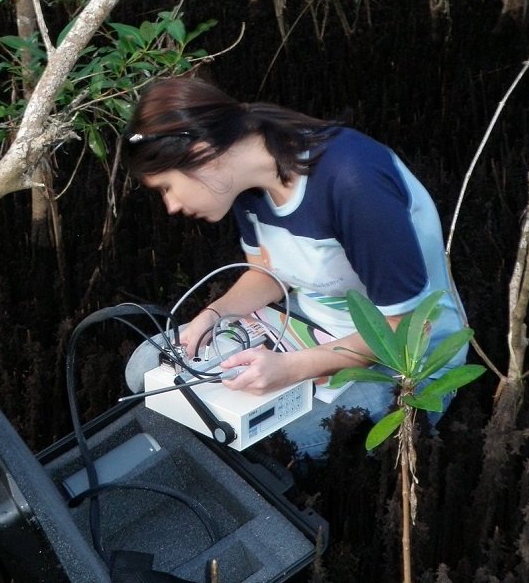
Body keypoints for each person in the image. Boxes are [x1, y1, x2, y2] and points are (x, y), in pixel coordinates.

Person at [124, 76, 469, 458]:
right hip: (308, 322)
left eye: (167, 188)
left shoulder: (353, 182)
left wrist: (289, 369)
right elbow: (267, 274)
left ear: (205, 154)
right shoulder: (244, 180)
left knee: (258, 444)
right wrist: (214, 314)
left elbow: (405, 328)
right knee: (145, 366)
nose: (171, 207)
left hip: (405, 359)